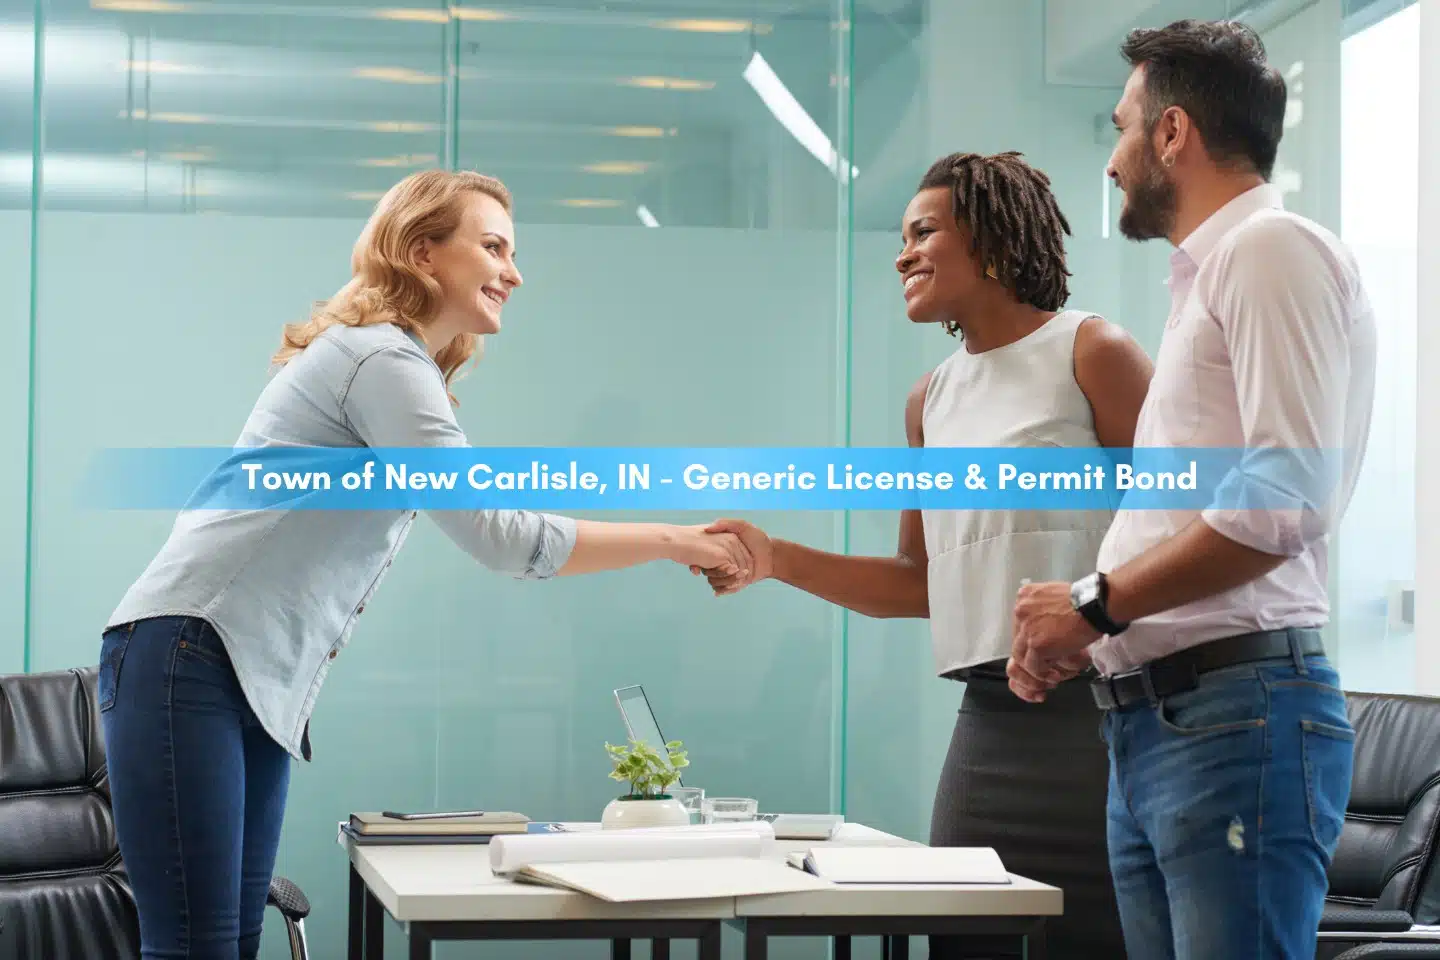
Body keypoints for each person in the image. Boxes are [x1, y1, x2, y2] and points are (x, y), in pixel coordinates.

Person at [97, 169, 752, 960]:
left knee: (231, 941)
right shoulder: (381, 362)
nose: (515, 271)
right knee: (196, 947)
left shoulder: (397, 369)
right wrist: (675, 541)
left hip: (245, 675)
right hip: (190, 654)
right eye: (493, 246)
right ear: (422, 253)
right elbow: (497, 535)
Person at [698, 151, 1154, 958]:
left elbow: (1176, 525)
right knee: (962, 941)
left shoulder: (1093, 350)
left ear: (990, 239)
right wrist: (776, 557)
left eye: (923, 232)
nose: (902, 253)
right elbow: (920, 584)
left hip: (1106, 728)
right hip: (989, 730)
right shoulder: (929, 399)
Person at [1007, 19, 1377, 960]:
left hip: (1234, 717)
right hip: (1171, 721)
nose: (1112, 163)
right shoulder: (1208, 279)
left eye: (1122, 129)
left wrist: (1093, 605)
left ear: (1173, 133)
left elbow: (1281, 503)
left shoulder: (1268, 250)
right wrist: (1093, 636)